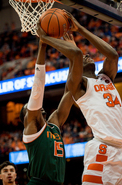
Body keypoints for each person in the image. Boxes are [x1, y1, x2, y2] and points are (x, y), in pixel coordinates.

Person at [63, 10, 122, 185]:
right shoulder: (79, 86)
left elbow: (113, 55)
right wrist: (73, 51)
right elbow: (77, 57)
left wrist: (81, 30)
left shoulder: (105, 77)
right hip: (102, 147)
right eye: (83, 57)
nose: (87, 55)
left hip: (121, 150)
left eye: (88, 55)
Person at [19, 23, 83, 184]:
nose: (33, 106)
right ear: (25, 118)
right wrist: (42, 45)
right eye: (29, 108)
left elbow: (70, 90)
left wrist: (73, 57)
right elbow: (38, 86)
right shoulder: (32, 126)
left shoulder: (54, 124)